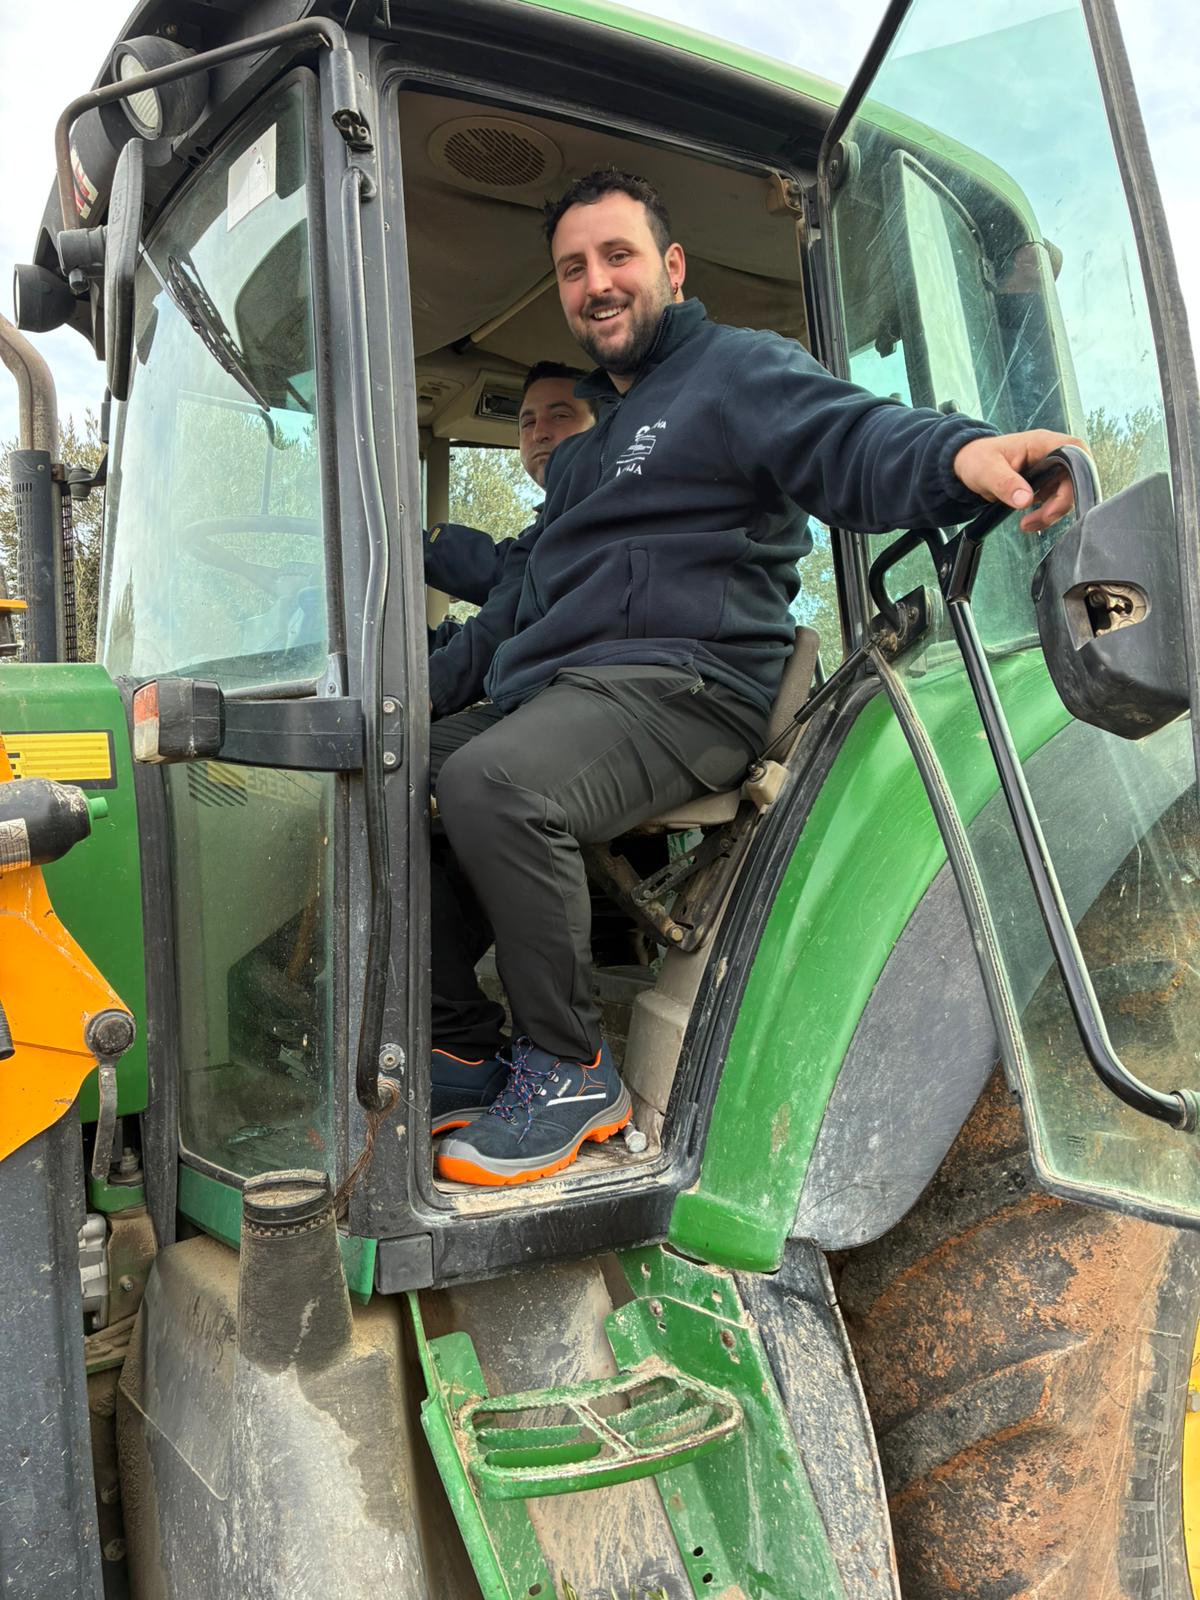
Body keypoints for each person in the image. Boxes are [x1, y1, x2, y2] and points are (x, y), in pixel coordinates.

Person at [428, 169, 1082, 1186]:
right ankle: (464, 1047)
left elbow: (849, 437)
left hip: (688, 686)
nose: (596, 283)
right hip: (568, 694)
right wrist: (399, 698)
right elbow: (513, 611)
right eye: (573, 268)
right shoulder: (588, 457)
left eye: (617, 256)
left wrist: (959, 455)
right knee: (399, 764)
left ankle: (569, 1066)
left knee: (493, 782)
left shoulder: (735, 372)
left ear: (671, 267)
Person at [423, 361, 594, 654]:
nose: (539, 432)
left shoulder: (605, 516)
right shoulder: (546, 527)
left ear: (604, 431)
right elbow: (504, 580)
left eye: (560, 416)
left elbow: (503, 591)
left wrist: (408, 547)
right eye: (528, 423)